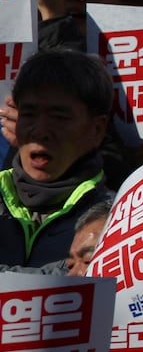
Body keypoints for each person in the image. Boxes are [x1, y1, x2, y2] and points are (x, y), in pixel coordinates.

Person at [0, 50, 115, 268]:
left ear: (97, 129)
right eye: (29, 115)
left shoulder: (117, 221)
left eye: (59, 117)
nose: (40, 131)